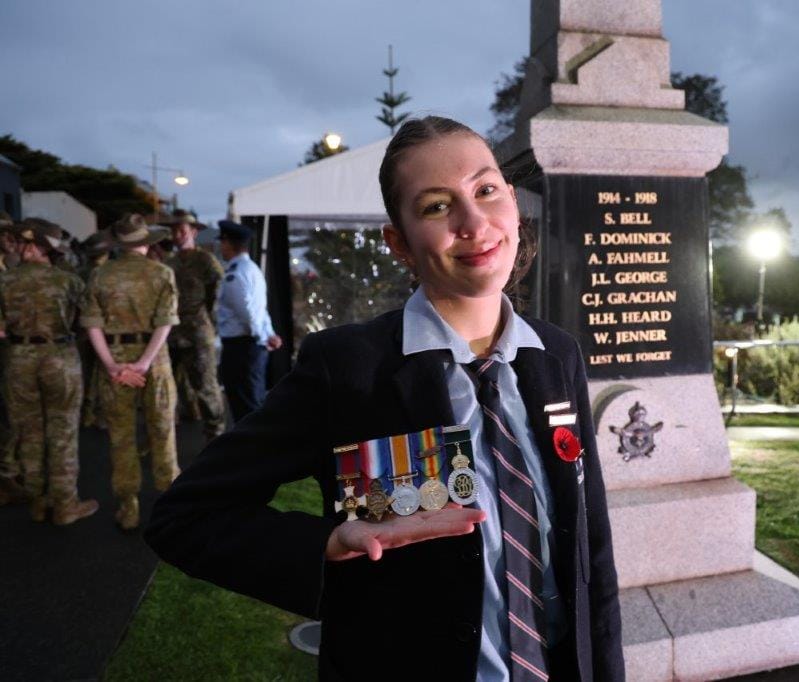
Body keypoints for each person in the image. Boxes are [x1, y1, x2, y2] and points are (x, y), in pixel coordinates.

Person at [147, 116, 624, 681]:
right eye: (436, 206)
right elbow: (183, 517)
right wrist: (325, 544)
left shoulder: (557, 355)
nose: (474, 223)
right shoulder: (348, 369)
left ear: (514, 205)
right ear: (399, 243)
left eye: (485, 190)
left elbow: (591, 549)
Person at [81, 214, 180, 530]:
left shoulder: (100, 275)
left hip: (115, 358)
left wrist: (112, 365)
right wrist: (145, 363)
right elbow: (165, 323)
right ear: (146, 242)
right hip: (154, 360)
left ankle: (128, 506)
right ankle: (170, 505)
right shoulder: (162, 273)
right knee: (162, 431)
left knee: (121, 435)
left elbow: (92, 325)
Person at [0, 218, 97, 524]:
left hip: (18, 358)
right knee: (63, 431)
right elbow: (88, 324)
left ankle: (38, 502)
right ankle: (65, 504)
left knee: (28, 433)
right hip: (60, 356)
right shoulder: (69, 281)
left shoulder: (4, 281)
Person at [164, 209, 226, 440]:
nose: (177, 235)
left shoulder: (205, 261)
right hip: (171, 332)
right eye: (174, 231)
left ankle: (216, 433)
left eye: (182, 230)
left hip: (197, 331)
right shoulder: (169, 263)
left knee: (205, 386)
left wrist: (208, 323)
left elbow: (217, 295)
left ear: (193, 232)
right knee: (169, 386)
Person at [215, 220, 281, 423]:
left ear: (228, 243)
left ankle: (255, 443)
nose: (221, 247)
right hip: (250, 346)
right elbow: (261, 309)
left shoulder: (235, 274)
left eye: (222, 242)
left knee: (245, 405)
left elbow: (247, 313)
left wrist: (262, 336)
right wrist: (268, 334)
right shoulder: (252, 269)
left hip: (242, 348)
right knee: (252, 402)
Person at [0, 212, 28, 505]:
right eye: (5, 235)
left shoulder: (10, 267)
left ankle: (10, 474)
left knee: (11, 416)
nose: (9, 239)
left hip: (10, 352)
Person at [77, 229, 115, 430]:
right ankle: (102, 416)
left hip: (82, 331)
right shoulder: (111, 274)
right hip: (107, 333)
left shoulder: (79, 273)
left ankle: (85, 415)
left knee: (84, 373)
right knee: (106, 375)